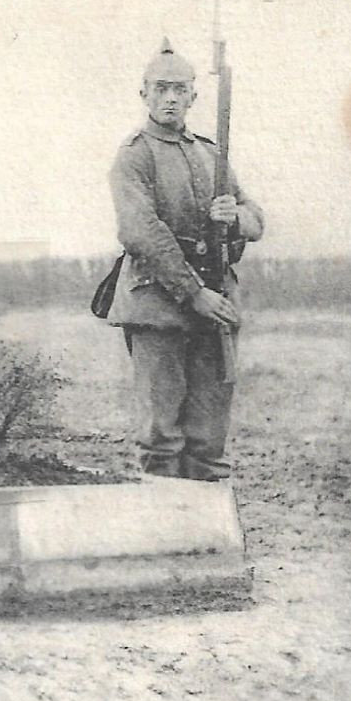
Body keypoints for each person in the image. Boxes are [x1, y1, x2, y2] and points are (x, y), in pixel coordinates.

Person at [105, 40, 265, 480]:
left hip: (216, 306)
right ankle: (164, 538)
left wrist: (233, 219)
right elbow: (142, 232)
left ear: (194, 96)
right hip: (159, 306)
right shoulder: (135, 155)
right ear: (144, 93)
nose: (170, 97)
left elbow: (256, 218)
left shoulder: (211, 155)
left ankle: (209, 541)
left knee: (208, 439)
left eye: (179, 89)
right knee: (161, 437)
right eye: (160, 88)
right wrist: (194, 293)